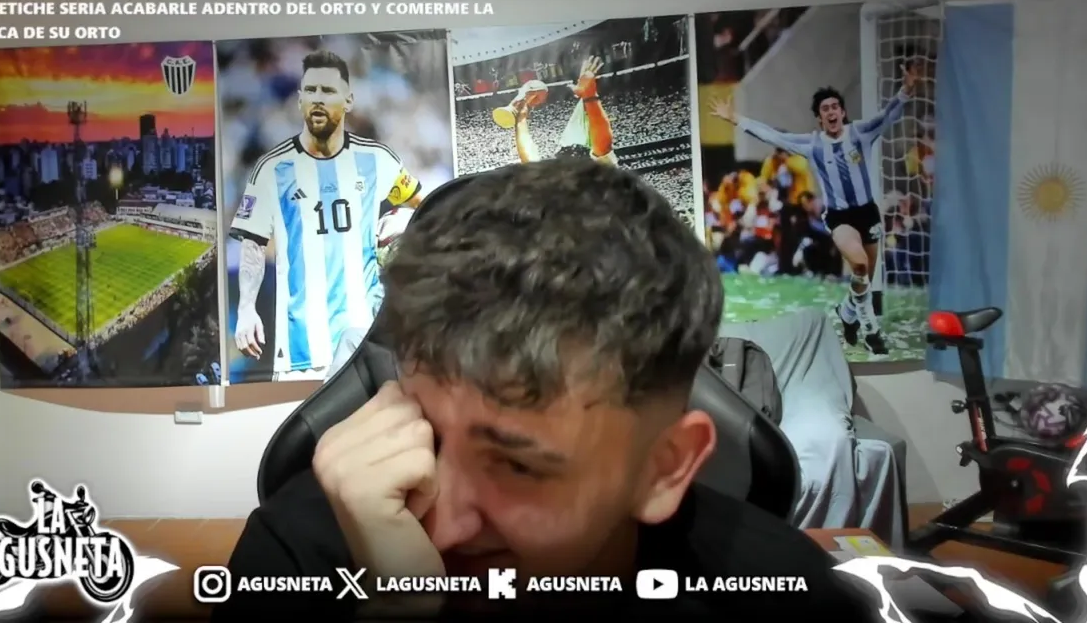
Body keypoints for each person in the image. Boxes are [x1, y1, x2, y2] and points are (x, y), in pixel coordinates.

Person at [216, 159, 874, 620]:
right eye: (426, 434)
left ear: (662, 467)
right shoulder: (294, 559)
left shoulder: (793, 599)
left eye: (517, 465)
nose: (441, 522)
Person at [230, 50, 423, 378]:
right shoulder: (272, 167)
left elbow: (424, 204)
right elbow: (253, 241)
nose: (318, 99)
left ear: (348, 100)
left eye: (328, 91)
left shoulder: (378, 159)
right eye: (311, 90)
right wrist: (246, 307)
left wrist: (405, 229)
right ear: (300, 100)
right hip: (300, 350)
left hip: (363, 340)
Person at [708, 64, 919, 355]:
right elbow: (772, 135)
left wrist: (906, 90)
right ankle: (871, 330)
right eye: (825, 109)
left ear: (843, 112)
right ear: (820, 119)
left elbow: (888, 115)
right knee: (858, 266)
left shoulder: (860, 132)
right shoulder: (812, 144)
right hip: (840, 217)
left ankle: (847, 313)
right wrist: (736, 119)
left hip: (867, 213)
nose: (831, 112)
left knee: (865, 278)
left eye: (834, 107)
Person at [508, 56, 620, 166]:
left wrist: (521, 118)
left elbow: (529, 160)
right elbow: (603, 146)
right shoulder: (600, 172)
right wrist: (590, 94)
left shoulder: (554, 177)